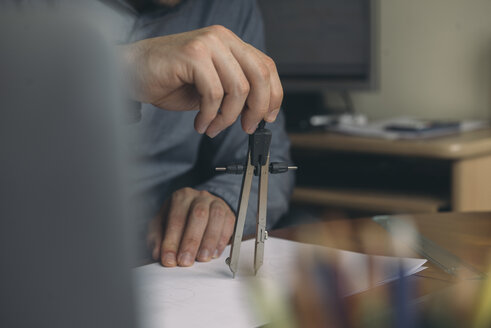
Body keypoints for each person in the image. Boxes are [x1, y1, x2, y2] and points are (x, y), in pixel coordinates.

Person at [8, 0, 295, 268]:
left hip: (161, 262)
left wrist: (224, 201)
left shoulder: (231, 9)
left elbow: (270, 164)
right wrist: (118, 69)